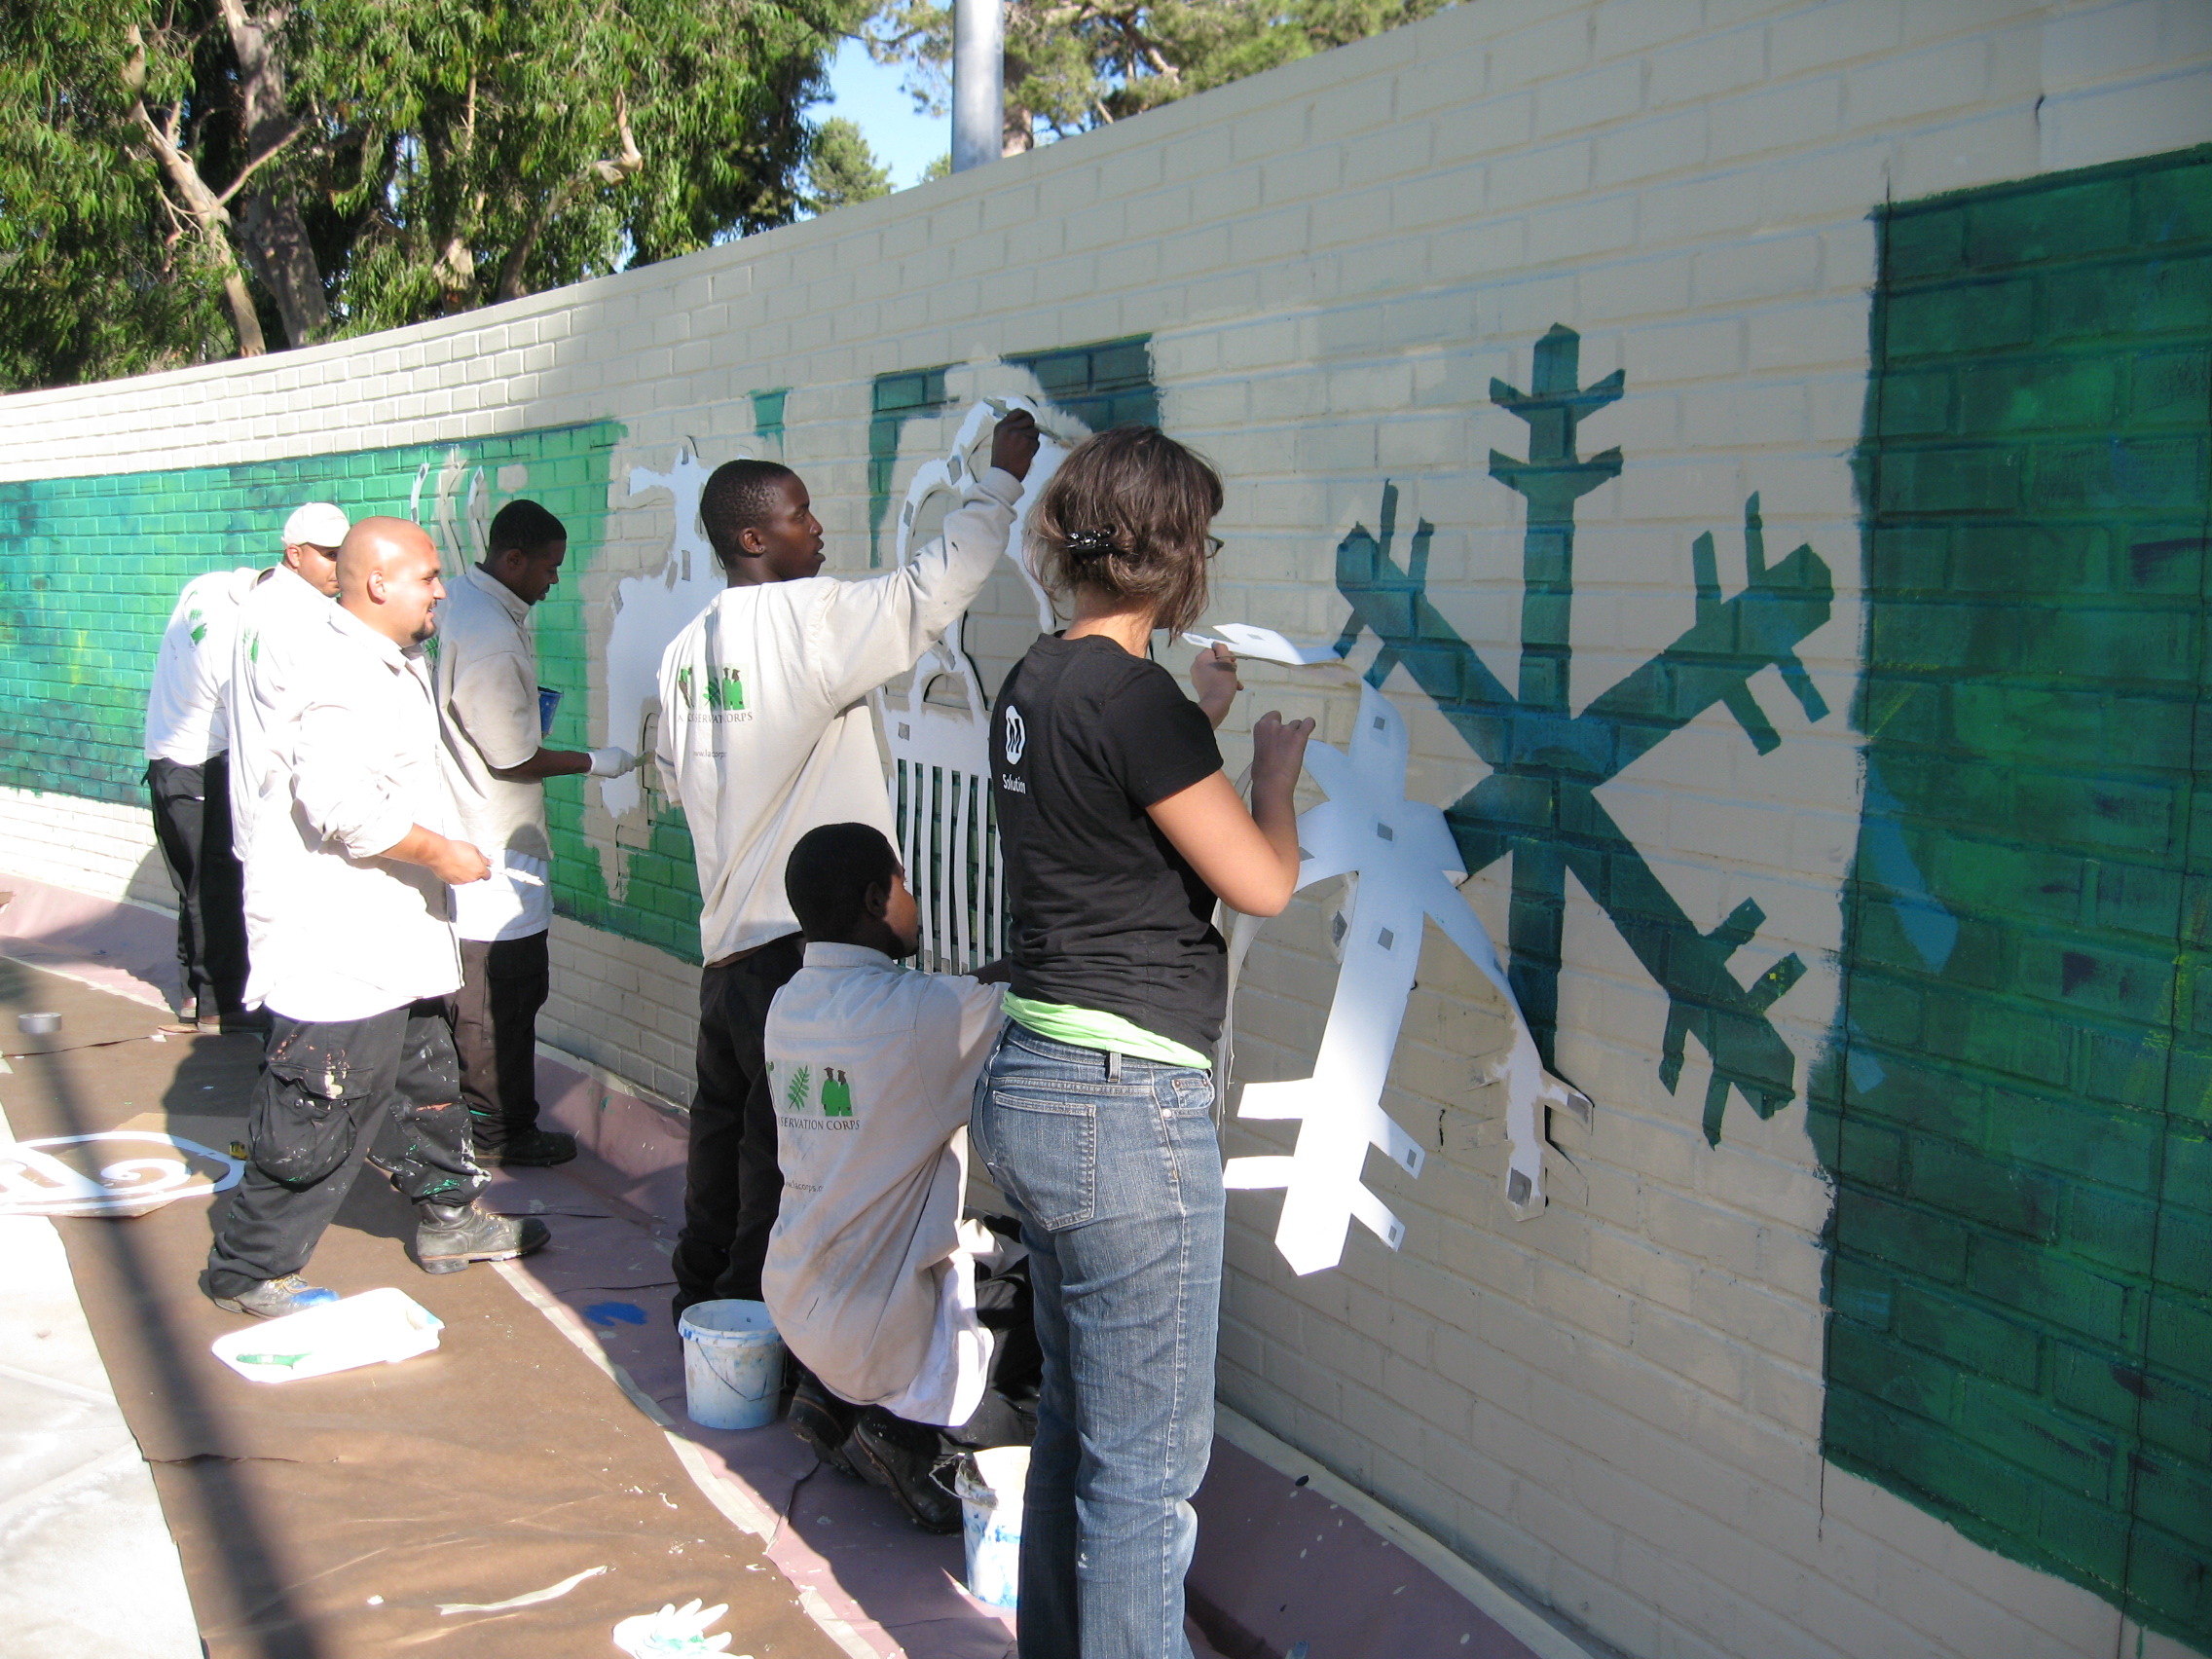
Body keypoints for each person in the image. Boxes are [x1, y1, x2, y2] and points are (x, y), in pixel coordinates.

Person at [971, 427, 1312, 1659]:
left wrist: (1198, 717)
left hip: (1037, 1083)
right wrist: (1271, 769)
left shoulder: (1038, 679)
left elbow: (1108, 816)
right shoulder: (1139, 703)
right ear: (1175, 559)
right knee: (1145, 1481)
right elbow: (1260, 882)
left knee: (1080, 1427)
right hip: (1125, 1115)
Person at [655, 409, 1040, 1320]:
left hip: (727, 945)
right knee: (778, 1154)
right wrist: (1003, 480)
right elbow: (927, 591)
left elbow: (678, 783)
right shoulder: (808, 622)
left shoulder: (683, 653)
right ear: (754, 537)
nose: (819, 529)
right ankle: (757, 1327)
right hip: (801, 950)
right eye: (800, 515)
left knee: (721, 1131)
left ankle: (701, 1307)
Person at [203, 518, 550, 1319]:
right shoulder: (341, 673)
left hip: (396, 941)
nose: (440, 590)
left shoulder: (389, 661)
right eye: (428, 577)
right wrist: (443, 853)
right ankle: (250, 1267)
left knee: (429, 1083)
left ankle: (450, 1218)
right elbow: (341, 808)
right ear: (377, 585)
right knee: (320, 1107)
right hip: (343, 947)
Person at [760, 823, 1040, 1533]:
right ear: (875, 898)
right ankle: (914, 1442)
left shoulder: (787, 1004)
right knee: (1051, 1322)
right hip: (878, 1331)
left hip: (797, 1299)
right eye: (905, 882)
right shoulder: (919, 1017)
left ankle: (830, 1404)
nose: (915, 898)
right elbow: (1022, 988)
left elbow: (947, 1001)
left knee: (993, 1245)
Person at [434, 498, 636, 1167]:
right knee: (500, 1001)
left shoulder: (461, 600)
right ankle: (500, 1135)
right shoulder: (490, 637)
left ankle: (487, 1123)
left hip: (471, 835)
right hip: (491, 848)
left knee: (489, 999)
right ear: (512, 558)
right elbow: (513, 757)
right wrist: (595, 761)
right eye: (547, 567)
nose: (554, 580)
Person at [143, 561, 260, 1034]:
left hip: (166, 760)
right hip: (198, 766)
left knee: (192, 883)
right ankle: (219, 1006)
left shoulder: (204, 587)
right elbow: (255, 721)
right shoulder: (232, 639)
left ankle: (194, 994)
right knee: (215, 886)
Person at [227, 501, 348, 876]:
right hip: (287, 822)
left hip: (262, 813)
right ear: (295, 554)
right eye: (330, 555)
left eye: (345, 554)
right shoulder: (306, 616)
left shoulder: (262, 598)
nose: (341, 565)